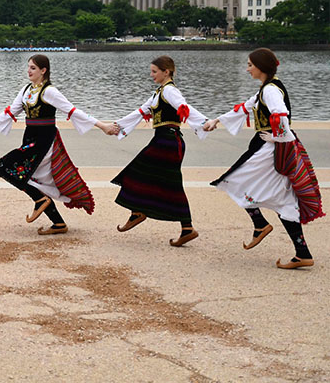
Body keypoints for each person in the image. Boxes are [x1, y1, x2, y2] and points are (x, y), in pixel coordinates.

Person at [203, 48, 323, 269]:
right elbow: (244, 108)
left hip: (268, 149)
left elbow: (280, 114)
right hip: (269, 146)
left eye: (250, 65)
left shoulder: (270, 91)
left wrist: (279, 137)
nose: (247, 69)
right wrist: (216, 120)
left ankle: (260, 225)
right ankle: (300, 252)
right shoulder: (266, 89)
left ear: (260, 66)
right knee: (281, 199)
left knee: (233, 181)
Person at [0, 54, 112, 234]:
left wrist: (102, 126)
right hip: (30, 137)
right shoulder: (26, 90)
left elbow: (73, 111)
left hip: (45, 140)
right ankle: (58, 223)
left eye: (33, 68)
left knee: (8, 167)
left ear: (43, 70)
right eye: (28, 67)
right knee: (29, 177)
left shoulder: (49, 91)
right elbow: (8, 112)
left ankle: (40, 200)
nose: (29, 71)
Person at [110, 55, 208, 247]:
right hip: (163, 140)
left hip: (169, 141)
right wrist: (117, 126)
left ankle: (138, 211)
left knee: (138, 172)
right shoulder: (159, 92)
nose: (151, 74)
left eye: (155, 71)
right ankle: (185, 227)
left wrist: (204, 123)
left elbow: (183, 107)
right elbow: (141, 111)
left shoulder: (170, 91)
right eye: (151, 71)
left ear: (167, 72)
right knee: (167, 183)